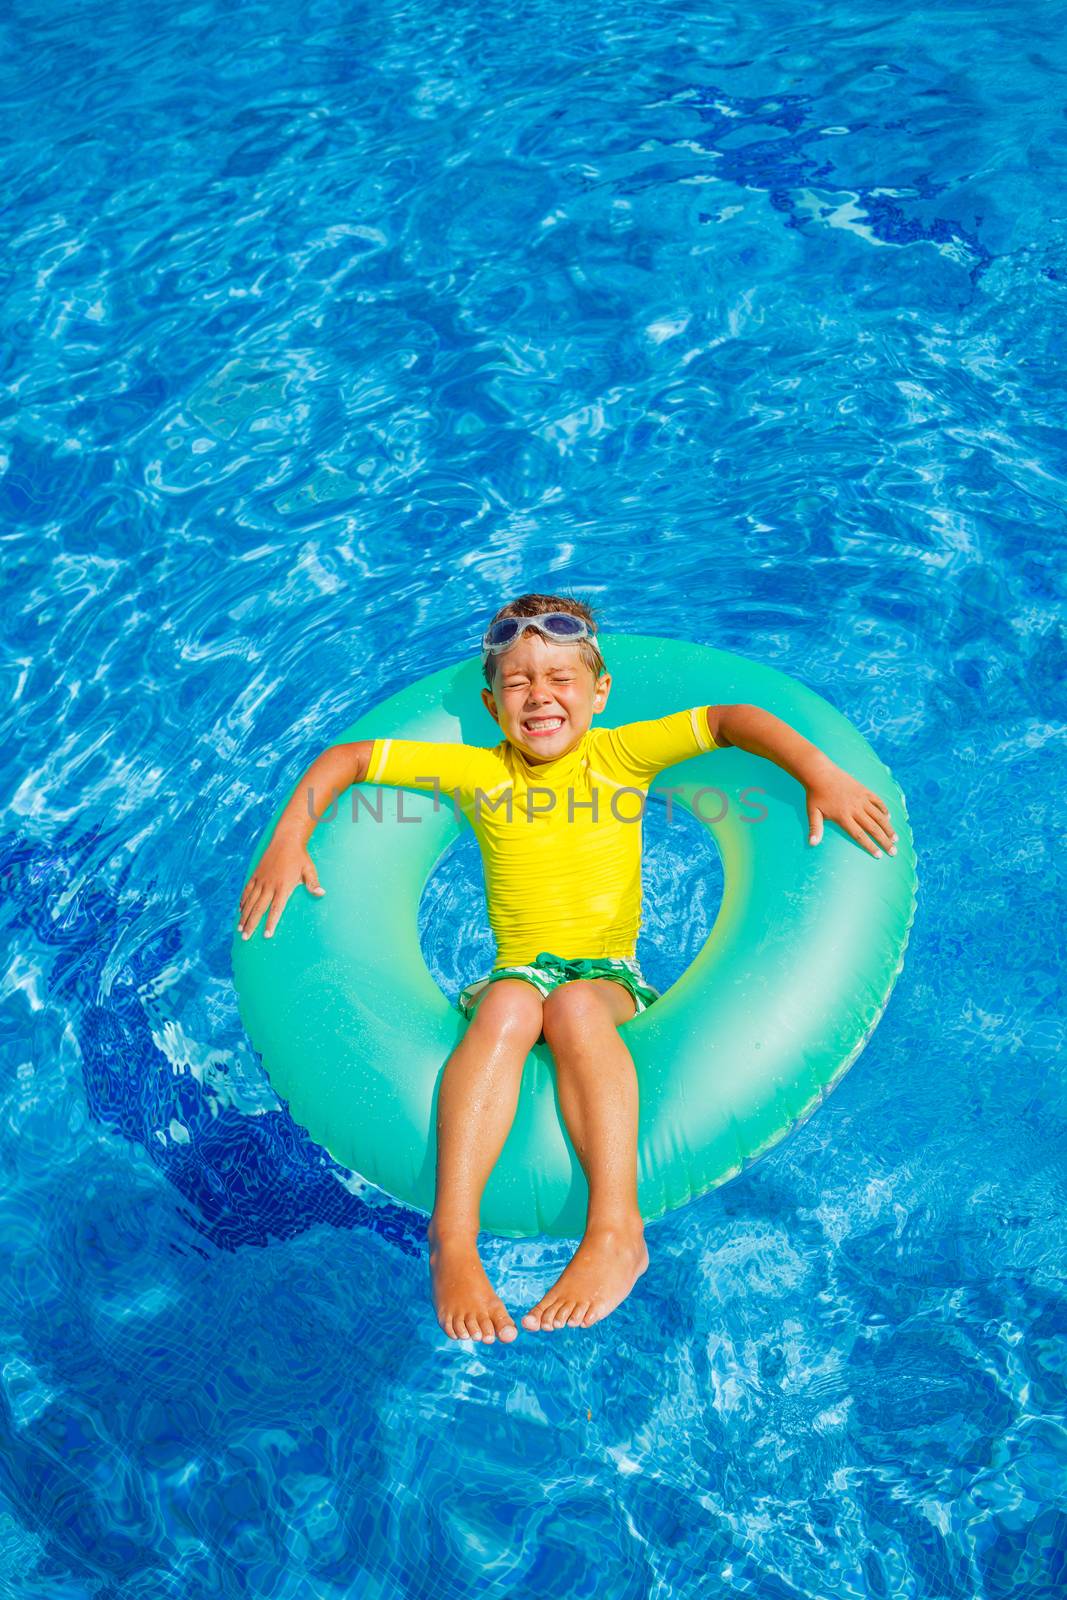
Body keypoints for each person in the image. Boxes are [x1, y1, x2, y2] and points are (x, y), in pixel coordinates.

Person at [237, 593, 897, 1344]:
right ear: (491, 703)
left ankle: (615, 1232)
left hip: (604, 978)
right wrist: (291, 836)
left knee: (576, 1007)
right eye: (518, 683)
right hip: (515, 976)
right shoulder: (474, 773)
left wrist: (820, 774)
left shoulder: (625, 753)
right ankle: (451, 1241)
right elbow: (348, 760)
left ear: (600, 693)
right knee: (509, 1008)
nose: (539, 696)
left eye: (559, 678)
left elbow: (732, 719)